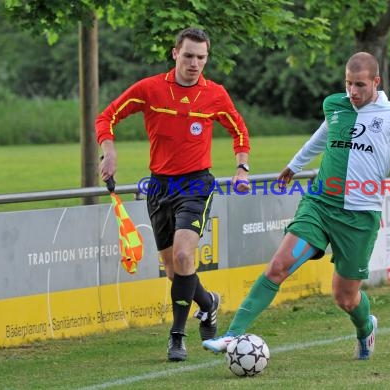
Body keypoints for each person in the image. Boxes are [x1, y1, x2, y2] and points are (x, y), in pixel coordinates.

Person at [203, 52, 390, 360]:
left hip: (359, 218)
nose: (353, 92)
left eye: (360, 85)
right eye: (348, 83)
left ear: (376, 82)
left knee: (345, 297)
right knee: (278, 267)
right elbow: (321, 137)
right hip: (320, 205)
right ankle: (231, 335)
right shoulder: (335, 105)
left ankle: (366, 327)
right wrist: (294, 166)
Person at [96, 27, 251, 362]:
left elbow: (238, 129)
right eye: (189, 56)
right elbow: (106, 117)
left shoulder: (215, 95)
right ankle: (208, 304)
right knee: (173, 269)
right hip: (159, 187)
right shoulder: (150, 89)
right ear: (175, 53)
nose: (195, 63)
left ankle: (177, 337)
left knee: (183, 257)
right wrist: (108, 149)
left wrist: (242, 168)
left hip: (196, 184)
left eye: (202, 57)